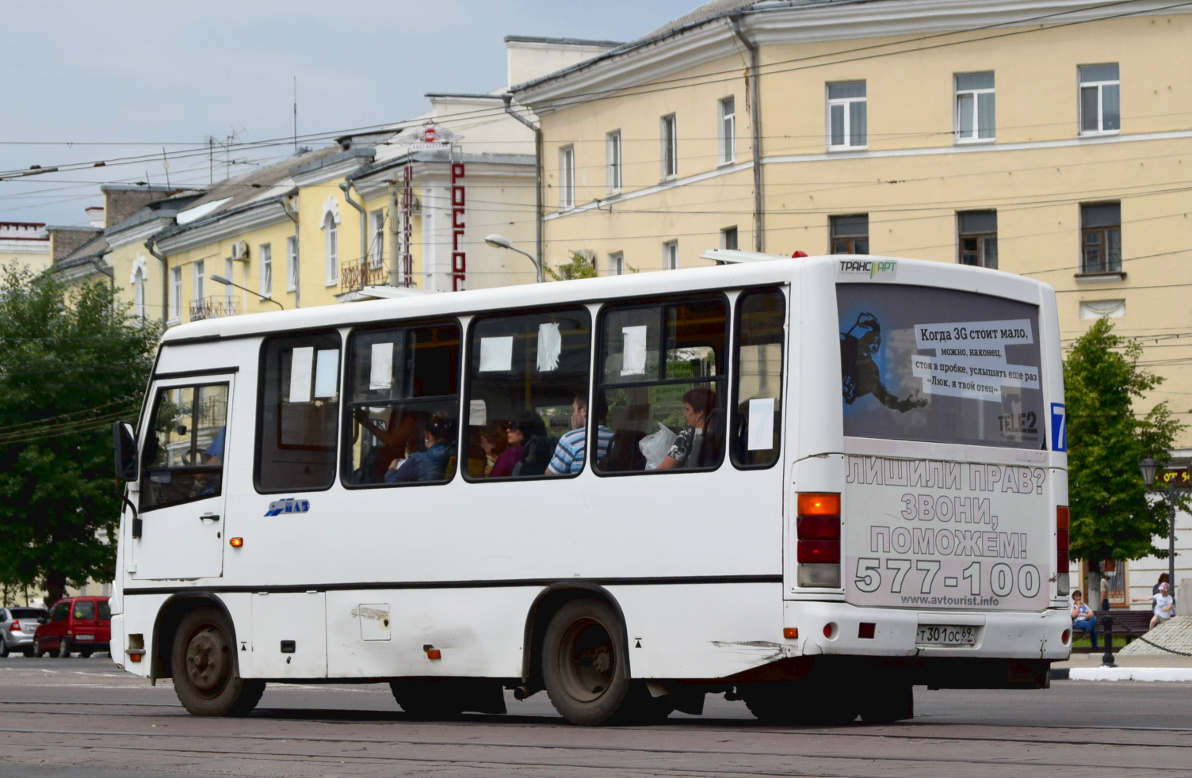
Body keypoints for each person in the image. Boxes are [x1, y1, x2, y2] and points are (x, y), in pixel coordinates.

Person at [546, 395, 612, 475]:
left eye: (574, 410)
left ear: (584, 410)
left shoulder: (569, 440)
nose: (572, 416)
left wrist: (574, 433)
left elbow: (550, 475)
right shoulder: (615, 438)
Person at [657, 388, 718, 470]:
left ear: (700, 412)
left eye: (687, 409)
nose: (685, 414)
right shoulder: (717, 434)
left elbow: (663, 468)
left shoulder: (686, 436)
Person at [385, 412, 454, 483]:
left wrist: (392, 468)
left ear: (426, 435)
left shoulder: (417, 459)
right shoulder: (458, 455)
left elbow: (392, 483)